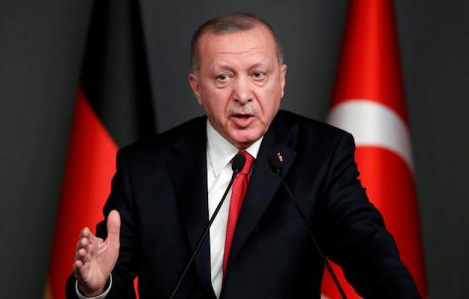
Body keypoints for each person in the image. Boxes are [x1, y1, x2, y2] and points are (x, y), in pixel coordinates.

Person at [67, 13, 421, 299]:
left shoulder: (322, 154)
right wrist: (95, 288)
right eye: (223, 77)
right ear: (196, 87)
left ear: (280, 81)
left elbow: (368, 250)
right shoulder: (143, 167)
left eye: (257, 75)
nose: (243, 94)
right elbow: (109, 269)